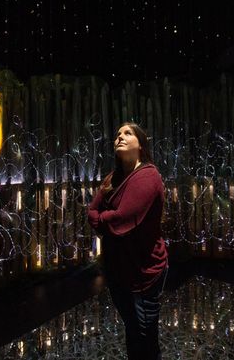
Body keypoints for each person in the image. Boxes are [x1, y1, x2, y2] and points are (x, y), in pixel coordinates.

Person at [88, 122, 169, 360]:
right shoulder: (113, 178)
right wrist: (104, 218)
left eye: (127, 133)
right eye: (117, 134)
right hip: (119, 271)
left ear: (141, 145)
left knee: (144, 337)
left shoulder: (148, 175)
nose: (120, 137)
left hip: (144, 272)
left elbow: (122, 220)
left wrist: (102, 219)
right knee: (133, 331)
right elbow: (90, 211)